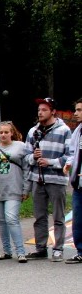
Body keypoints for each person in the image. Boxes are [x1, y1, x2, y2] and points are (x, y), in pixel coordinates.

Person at [23, 97, 74, 261]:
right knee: (39, 216)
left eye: (44, 109)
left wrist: (50, 162)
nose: (40, 112)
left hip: (56, 180)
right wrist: (34, 158)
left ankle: (58, 249)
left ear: (53, 112)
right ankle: (40, 248)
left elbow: (70, 156)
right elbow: (26, 156)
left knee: (58, 216)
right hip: (38, 179)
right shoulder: (33, 131)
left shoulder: (64, 130)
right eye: (39, 110)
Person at [0, 121, 29, 262]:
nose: (3, 135)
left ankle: (21, 252)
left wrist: (26, 188)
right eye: (1, 132)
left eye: (6, 132)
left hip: (14, 188)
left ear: (12, 133)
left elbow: (27, 168)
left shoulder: (21, 147)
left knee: (11, 219)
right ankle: (6, 250)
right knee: (1, 221)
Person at [64, 97, 82, 264]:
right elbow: (72, 153)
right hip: (78, 184)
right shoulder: (77, 131)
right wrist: (69, 164)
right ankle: (80, 251)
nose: (76, 113)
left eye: (79, 110)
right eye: (76, 110)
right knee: (78, 218)